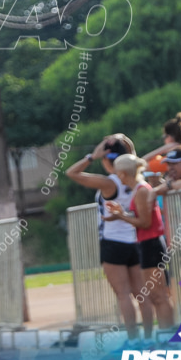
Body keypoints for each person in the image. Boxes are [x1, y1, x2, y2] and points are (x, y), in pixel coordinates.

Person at [67, 140, 148, 343]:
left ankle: (133, 340)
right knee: (141, 294)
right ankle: (149, 338)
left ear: (107, 159)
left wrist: (91, 157)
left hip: (113, 242)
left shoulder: (109, 182)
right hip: (134, 239)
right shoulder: (136, 179)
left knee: (123, 295)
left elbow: (72, 173)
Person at [103, 155, 176, 336]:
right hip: (146, 244)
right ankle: (166, 334)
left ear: (121, 174)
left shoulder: (142, 190)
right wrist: (122, 212)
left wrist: (121, 216)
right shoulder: (138, 190)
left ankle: (168, 336)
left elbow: (144, 222)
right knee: (154, 295)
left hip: (151, 243)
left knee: (159, 296)